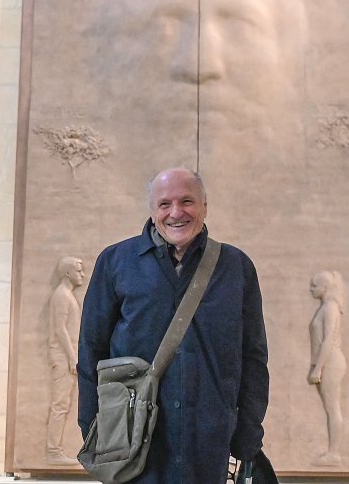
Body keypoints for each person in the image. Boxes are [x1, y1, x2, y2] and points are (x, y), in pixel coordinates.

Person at [78, 167, 270, 483]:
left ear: (205, 206)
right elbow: (90, 350)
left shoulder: (236, 267)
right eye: (165, 204)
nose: (176, 213)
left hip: (208, 443)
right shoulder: (115, 262)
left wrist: (248, 435)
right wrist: (94, 426)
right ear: (152, 210)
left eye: (187, 201)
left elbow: (253, 357)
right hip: (133, 441)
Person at [46, 256, 85, 465]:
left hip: (67, 356)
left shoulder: (66, 295)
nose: (82, 275)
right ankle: (53, 452)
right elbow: (60, 330)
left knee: (64, 403)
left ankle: (56, 450)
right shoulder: (61, 295)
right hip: (62, 357)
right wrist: (72, 357)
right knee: (60, 404)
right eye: (78, 270)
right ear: (68, 273)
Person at [307, 270, 346, 466]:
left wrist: (318, 368)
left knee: (332, 407)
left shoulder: (330, 308)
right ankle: (332, 451)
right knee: (329, 407)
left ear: (325, 287)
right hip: (325, 362)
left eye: (315, 286)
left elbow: (328, 339)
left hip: (331, 362)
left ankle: (334, 453)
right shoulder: (325, 308)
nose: (311, 289)